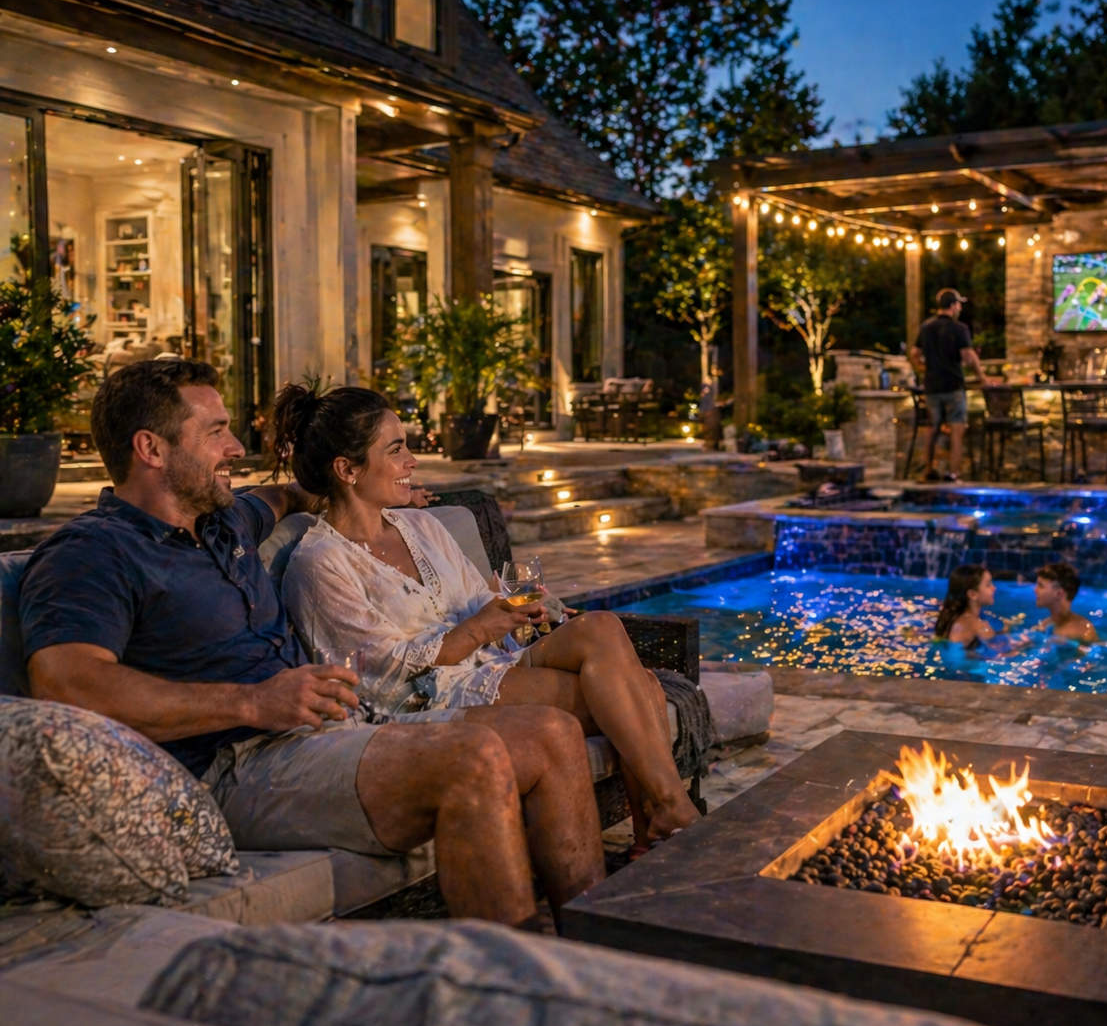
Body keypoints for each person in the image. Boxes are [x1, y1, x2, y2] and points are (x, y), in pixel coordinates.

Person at [19, 360, 604, 927]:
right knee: (471, 759)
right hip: (233, 765)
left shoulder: (225, 522)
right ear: (151, 449)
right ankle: (520, 992)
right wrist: (250, 703)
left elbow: (285, 495)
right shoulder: (92, 552)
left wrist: (359, 492)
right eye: (216, 432)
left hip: (323, 734)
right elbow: (67, 682)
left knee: (549, 732)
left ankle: (601, 936)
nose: (234, 449)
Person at [273, 383, 700, 849]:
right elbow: (376, 678)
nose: (412, 462)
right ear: (347, 469)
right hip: (427, 695)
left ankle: (665, 818)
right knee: (644, 689)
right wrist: (479, 628)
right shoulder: (321, 564)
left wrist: (513, 611)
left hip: (488, 662)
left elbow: (477, 599)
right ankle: (665, 824)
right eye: (396, 450)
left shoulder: (421, 525)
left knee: (601, 626)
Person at [909, 287, 994, 482]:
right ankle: (953, 474)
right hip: (953, 385)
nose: (960, 309)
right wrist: (983, 378)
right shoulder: (959, 329)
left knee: (933, 428)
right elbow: (968, 356)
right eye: (959, 305)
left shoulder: (926, 327)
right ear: (954, 306)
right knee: (957, 429)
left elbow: (914, 354)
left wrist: (923, 369)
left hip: (932, 386)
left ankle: (928, 470)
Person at [933, 564, 998, 645]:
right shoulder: (980, 627)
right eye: (988, 585)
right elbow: (1002, 653)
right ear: (972, 594)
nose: (994, 588)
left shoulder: (952, 618)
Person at [1033, 562, 1098, 643]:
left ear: (1059, 593)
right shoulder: (1042, 626)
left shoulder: (1084, 631)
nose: (1035, 590)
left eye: (1041, 586)